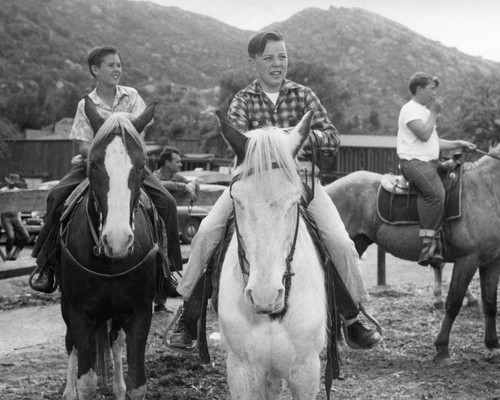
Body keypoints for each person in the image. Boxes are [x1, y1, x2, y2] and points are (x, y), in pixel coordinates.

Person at [169, 31, 382, 351]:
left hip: (301, 183)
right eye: (269, 58)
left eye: (282, 56)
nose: (277, 63)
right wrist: (283, 136)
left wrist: (306, 139)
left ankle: (352, 315)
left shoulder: (304, 96)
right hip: (252, 184)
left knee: (340, 241)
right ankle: (190, 312)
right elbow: (239, 136)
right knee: (207, 232)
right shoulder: (243, 99)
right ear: (253, 62)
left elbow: (332, 137)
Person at [30, 45, 183, 293]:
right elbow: (82, 145)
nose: (117, 69)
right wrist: (104, 157)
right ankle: (46, 264)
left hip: (129, 166)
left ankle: (170, 269)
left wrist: (121, 157)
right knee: (56, 196)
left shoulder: (132, 97)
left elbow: (138, 133)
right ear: (95, 69)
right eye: (111, 65)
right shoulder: (87, 104)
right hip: (94, 165)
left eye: (119, 65)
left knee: (167, 202)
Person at [397, 72, 476, 266]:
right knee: (435, 194)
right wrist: (434, 112)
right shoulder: (409, 110)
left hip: (429, 162)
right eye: (432, 89)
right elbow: (424, 135)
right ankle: (428, 246)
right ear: (419, 89)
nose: (435, 93)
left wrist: (459, 143)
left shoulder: (423, 111)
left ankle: (444, 237)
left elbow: (433, 141)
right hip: (414, 163)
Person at [152, 146, 199, 311]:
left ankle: (160, 301)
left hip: (169, 227)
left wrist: (191, 185)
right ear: (167, 163)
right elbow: (160, 184)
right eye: (177, 161)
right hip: (154, 227)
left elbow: (192, 180)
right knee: (157, 262)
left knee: (165, 260)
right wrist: (183, 186)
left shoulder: (175, 176)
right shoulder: (154, 177)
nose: (180, 164)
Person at [0, 174, 30, 261]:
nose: (11, 184)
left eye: (13, 182)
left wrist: (19, 218)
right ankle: (8, 251)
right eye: (10, 182)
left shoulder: (18, 191)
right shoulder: (2, 191)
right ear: (8, 182)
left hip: (15, 217)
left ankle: (17, 251)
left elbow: (19, 205)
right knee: (11, 236)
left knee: (26, 236)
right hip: (5, 217)